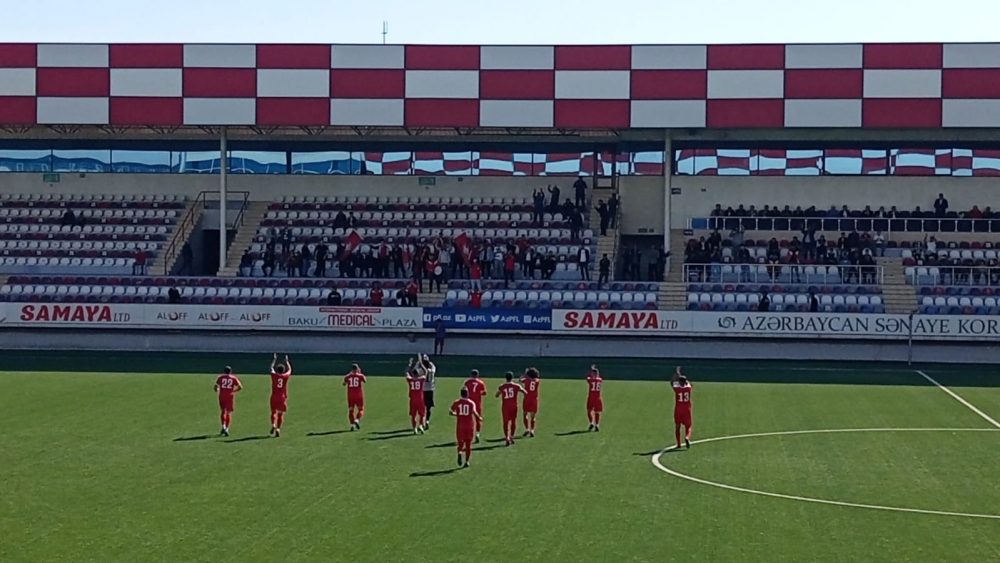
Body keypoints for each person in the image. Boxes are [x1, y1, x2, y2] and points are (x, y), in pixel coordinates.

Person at [450, 388, 482, 468]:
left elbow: (450, 412)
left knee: (460, 443)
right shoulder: (471, 403)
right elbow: (475, 412)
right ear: (467, 394)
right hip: (469, 425)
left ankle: (460, 452)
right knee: (468, 445)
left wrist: (457, 414)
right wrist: (479, 417)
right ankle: (467, 461)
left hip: (460, 425)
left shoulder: (457, 402)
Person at [496, 371, 526, 446]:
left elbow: (497, 395)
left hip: (505, 406)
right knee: (513, 421)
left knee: (505, 422)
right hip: (514, 406)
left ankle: (507, 437)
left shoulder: (502, 386)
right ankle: (512, 436)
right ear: (512, 377)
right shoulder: (516, 386)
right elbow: (525, 392)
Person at [214, 366, 243, 437]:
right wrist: (233, 391)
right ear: (230, 371)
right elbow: (240, 387)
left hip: (222, 395)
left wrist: (217, 390)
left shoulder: (220, 377)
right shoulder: (233, 378)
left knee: (223, 411)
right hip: (230, 396)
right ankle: (227, 428)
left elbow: (215, 386)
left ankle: (223, 426)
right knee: (229, 412)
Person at [269, 354, 291, 437]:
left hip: (274, 396)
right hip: (282, 397)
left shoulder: (274, 376)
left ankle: (273, 424)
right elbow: (290, 370)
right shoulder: (285, 376)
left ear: (277, 370)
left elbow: (271, 368)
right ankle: (278, 428)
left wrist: (274, 360)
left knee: (273, 412)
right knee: (280, 413)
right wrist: (287, 362)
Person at [463, 369, 488, 443]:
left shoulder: (467, 382)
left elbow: (463, 391)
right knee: (478, 419)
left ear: (471, 375)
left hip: (468, 402)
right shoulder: (481, 382)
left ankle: (466, 434)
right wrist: (479, 393)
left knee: (467, 419)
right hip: (477, 403)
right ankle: (477, 434)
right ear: (477, 375)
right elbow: (484, 392)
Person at [671, 367, 693, 449]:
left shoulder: (677, 388)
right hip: (687, 409)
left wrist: (676, 374)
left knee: (677, 427)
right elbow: (687, 383)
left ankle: (678, 443)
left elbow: (672, 382)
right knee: (688, 426)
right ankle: (687, 437)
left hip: (678, 409)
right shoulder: (688, 388)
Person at [405, 360, 428, 434]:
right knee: (422, 414)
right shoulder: (421, 379)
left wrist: (409, 365)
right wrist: (421, 364)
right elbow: (426, 372)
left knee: (413, 415)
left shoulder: (410, 380)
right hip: (420, 399)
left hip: (412, 399)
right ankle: (421, 425)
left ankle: (414, 428)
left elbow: (406, 372)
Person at [343, 363, 366, 430]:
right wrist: (360, 373)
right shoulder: (360, 376)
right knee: (361, 409)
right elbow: (365, 380)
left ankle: (352, 424)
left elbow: (344, 383)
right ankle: (357, 420)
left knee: (351, 410)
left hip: (350, 396)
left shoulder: (347, 377)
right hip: (359, 395)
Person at [520, 367, 540, 437]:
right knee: (533, 416)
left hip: (526, 399)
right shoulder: (537, 381)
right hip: (534, 400)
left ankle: (527, 429)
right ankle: (532, 430)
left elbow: (520, 380)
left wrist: (525, 374)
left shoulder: (526, 380)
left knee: (525, 414)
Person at [418, 354, 436, 428]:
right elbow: (433, 365)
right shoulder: (432, 370)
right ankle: (427, 420)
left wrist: (420, 361)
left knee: (422, 407)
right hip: (430, 390)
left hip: (423, 390)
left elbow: (415, 370)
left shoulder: (421, 371)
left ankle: (421, 422)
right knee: (428, 408)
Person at [586, 365, 603, 431]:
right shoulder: (600, 380)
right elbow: (598, 378)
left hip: (591, 398)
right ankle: (597, 424)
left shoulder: (590, 380)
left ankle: (591, 423)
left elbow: (587, 377)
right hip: (598, 398)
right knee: (597, 412)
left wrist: (591, 370)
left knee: (589, 410)